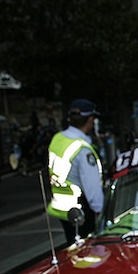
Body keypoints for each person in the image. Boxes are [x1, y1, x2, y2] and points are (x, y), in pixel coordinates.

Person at [46, 98, 104, 246]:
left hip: (62, 207)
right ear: (90, 119)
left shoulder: (58, 139)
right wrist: (101, 213)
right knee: (88, 255)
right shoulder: (82, 149)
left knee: (72, 248)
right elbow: (92, 189)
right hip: (81, 211)